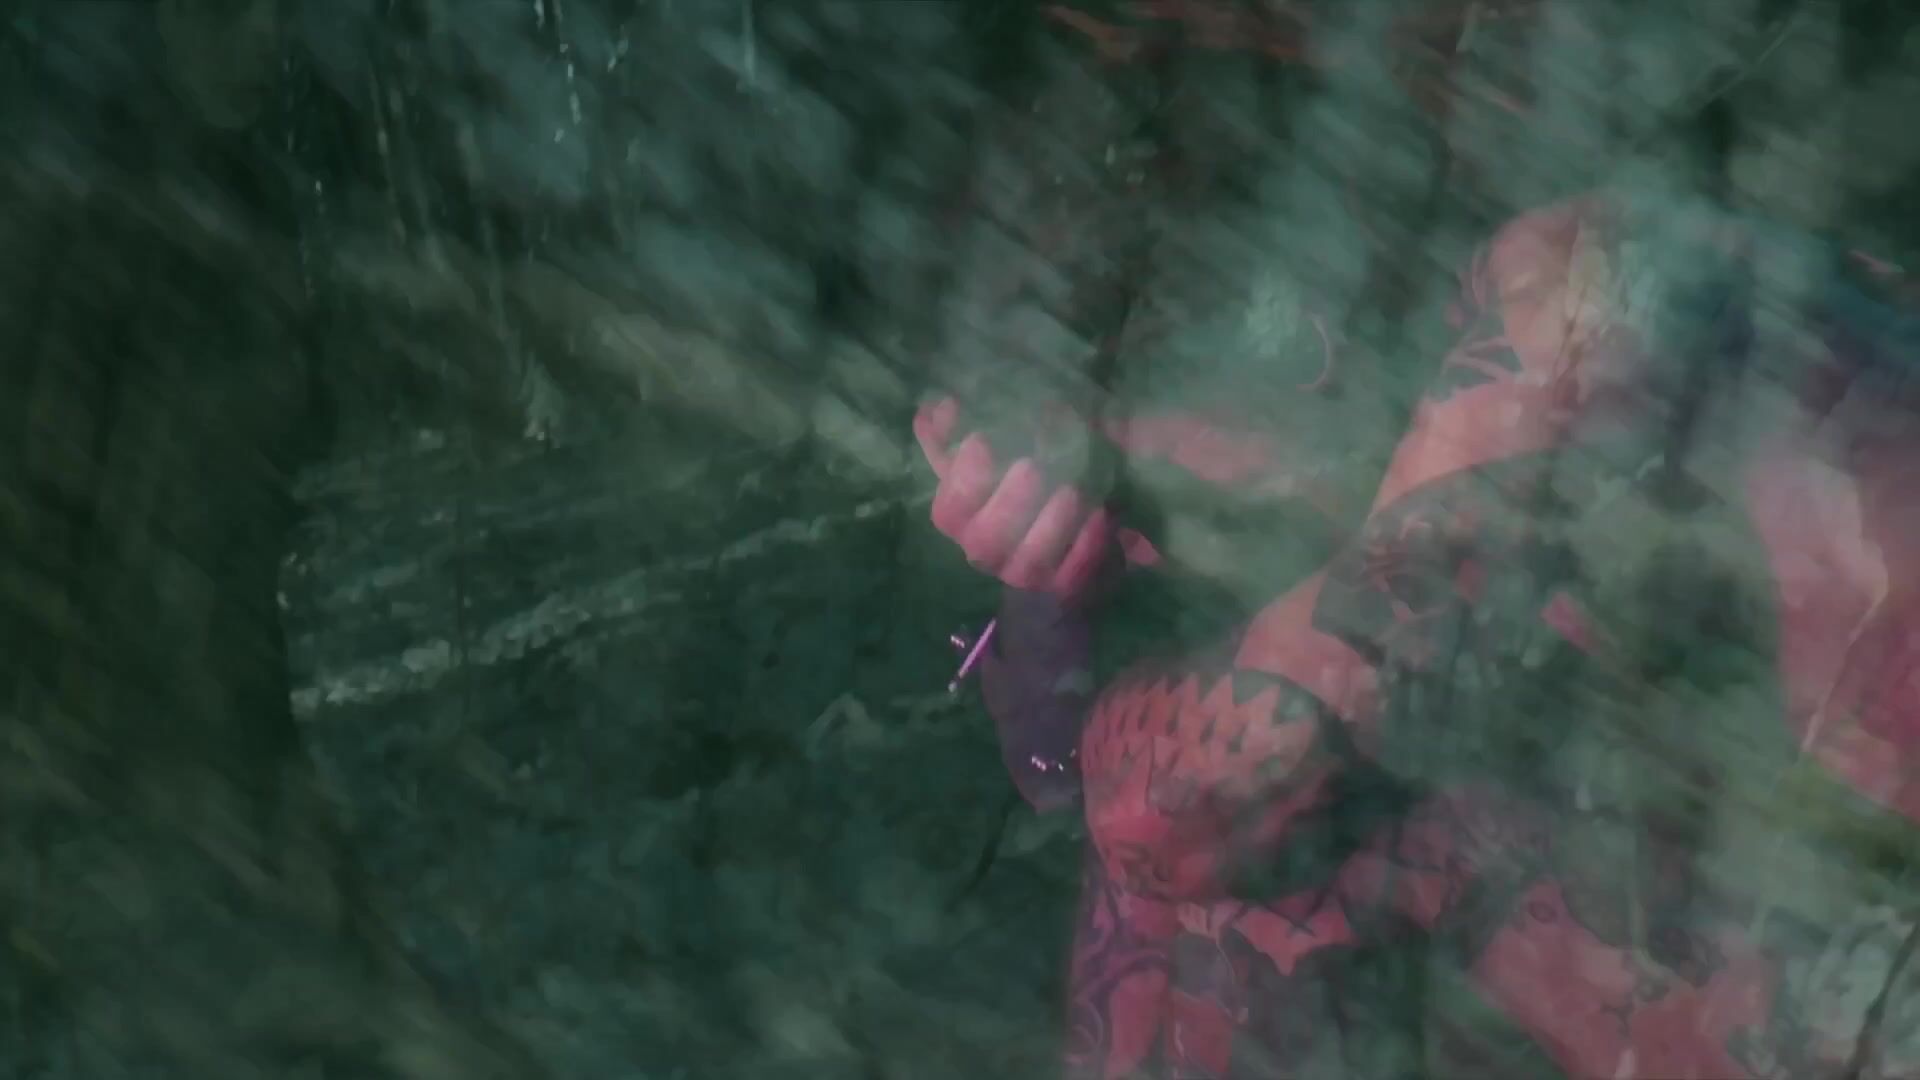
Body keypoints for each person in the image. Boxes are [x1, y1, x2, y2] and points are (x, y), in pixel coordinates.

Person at [917, 5, 1920, 1077]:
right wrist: (1049, 603)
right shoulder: (1518, 499)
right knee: (1315, 874)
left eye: (1144, 506)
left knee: (1250, 873)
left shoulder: (1573, 291)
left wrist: (1068, 604)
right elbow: (1073, 791)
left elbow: (1181, 812)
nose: (1154, 554)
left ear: (1291, 351)